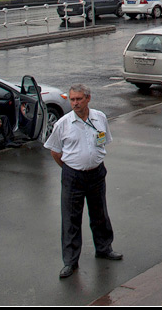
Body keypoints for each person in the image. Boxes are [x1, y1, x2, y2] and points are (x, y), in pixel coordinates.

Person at [44, 84, 121, 279]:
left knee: (100, 213)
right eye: (72, 100)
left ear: (88, 98)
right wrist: (70, 169)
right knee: (71, 219)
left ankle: (104, 248)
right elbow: (55, 150)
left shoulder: (100, 118)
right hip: (73, 176)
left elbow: (104, 141)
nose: (75, 103)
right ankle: (70, 261)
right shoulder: (63, 123)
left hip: (96, 175)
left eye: (79, 99)